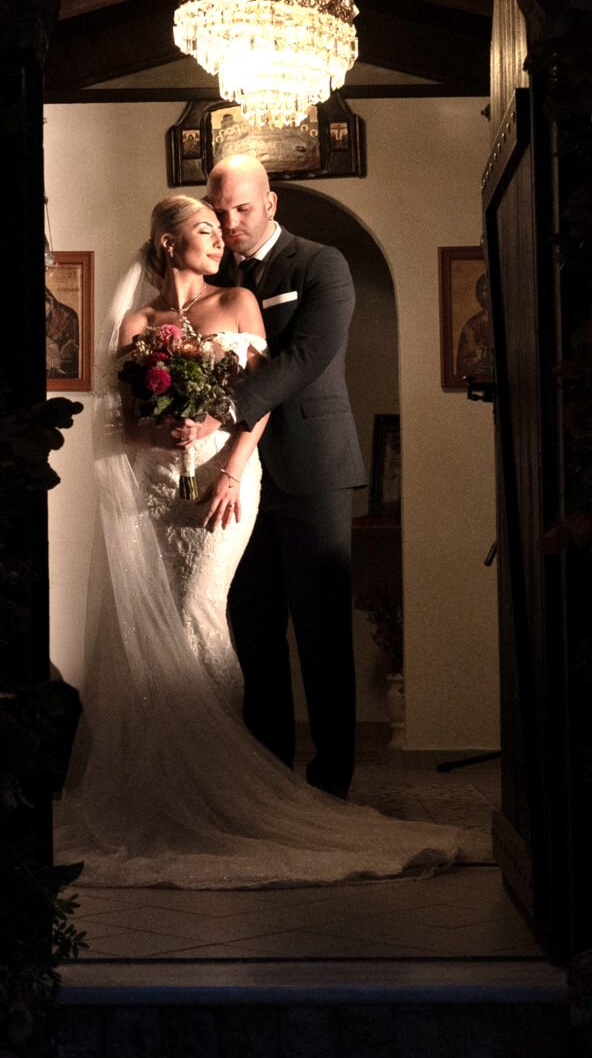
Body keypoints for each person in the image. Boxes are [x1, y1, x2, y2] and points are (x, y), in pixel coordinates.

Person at [53, 194, 462, 888]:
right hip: (159, 491)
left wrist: (232, 469)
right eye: (205, 228)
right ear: (167, 242)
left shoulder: (240, 300)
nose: (220, 238)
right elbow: (123, 421)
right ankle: (170, 787)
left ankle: (225, 785)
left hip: (229, 480)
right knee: (163, 626)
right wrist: (164, 431)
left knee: (201, 617)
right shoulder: (138, 322)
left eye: (224, 225)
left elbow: (262, 399)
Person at [196, 154, 368, 798]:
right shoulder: (213, 272)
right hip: (235, 476)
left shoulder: (321, 264)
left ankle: (331, 785)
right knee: (252, 626)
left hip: (312, 467)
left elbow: (306, 355)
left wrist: (224, 410)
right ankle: (269, 780)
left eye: (242, 208)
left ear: (271, 204)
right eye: (219, 212)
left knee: (322, 633)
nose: (230, 223)